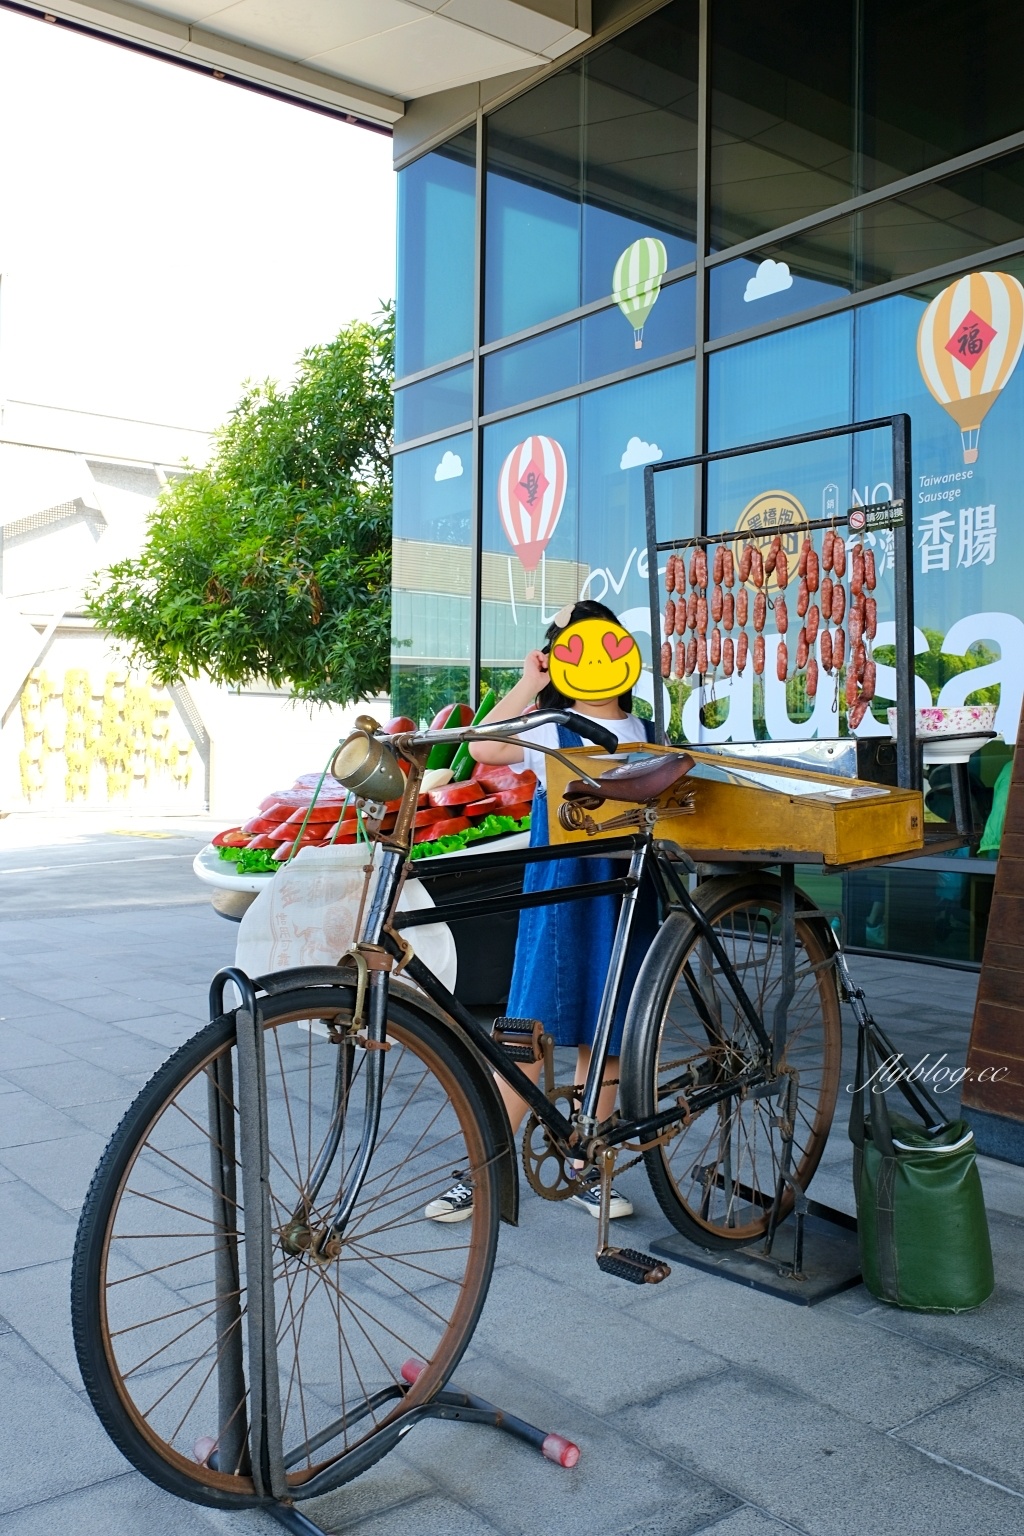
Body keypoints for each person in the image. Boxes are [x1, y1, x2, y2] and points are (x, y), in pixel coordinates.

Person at [426, 600, 659, 1224]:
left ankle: (587, 1165)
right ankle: (481, 1170)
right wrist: (529, 683)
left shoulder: (647, 733)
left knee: (606, 1039)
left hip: (625, 894)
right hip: (559, 896)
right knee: (527, 1029)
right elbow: (481, 746)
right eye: (569, 648)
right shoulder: (551, 728)